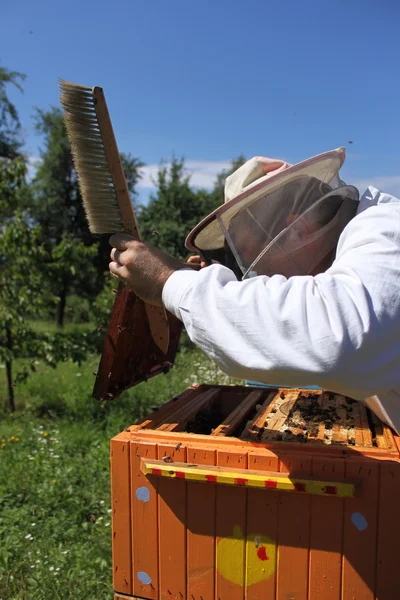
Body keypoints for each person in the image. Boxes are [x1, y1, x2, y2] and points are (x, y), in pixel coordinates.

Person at [109, 147, 400, 434]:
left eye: (254, 257)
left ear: (297, 230)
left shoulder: (387, 231)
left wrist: (168, 281)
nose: (260, 275)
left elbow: (339, 339)